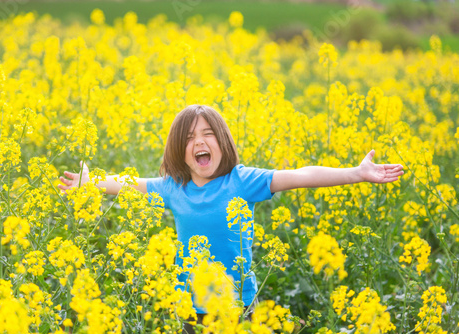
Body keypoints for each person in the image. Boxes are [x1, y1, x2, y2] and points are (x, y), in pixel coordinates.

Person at [58, 104, 404, 332]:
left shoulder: (242, 181)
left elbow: (299, 175)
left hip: (240, 303)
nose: (200, 142)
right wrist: (92, 183)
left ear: (223, 142)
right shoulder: (173, 187)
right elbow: (130, 185)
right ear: (178, 151)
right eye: (190, 137)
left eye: (208, 134)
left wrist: (356, 173)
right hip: (190, 306)